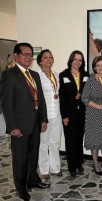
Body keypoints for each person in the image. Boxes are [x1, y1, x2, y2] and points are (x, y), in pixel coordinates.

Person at [0, 42, 50, 201]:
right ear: (16, 56)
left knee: (33, 154)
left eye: (30, 55)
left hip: (35, 121)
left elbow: (40, 99)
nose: (29, 57)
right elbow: (6, 103)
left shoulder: (34, 75)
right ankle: (21, 188)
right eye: (25, 54)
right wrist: (12, 127)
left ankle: (33, 180)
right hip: (20, 124)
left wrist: (43, 119)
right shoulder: (9, 75)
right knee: (20, 157)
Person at [59, 50, 89, 177]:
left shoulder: (86, 75)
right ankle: (71, 166)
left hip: (82, 112)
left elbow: (89, 93)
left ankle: (79, 163)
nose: (77, 62)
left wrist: (83, 95)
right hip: (69, 113)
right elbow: (62, 97)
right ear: (71, 60)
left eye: (80, 60)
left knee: (79, 138)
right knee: (70, 140)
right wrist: (64, 116)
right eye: (75, 59)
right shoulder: (63, 75)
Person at [81, 56, 102, 176]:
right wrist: (98, 106)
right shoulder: (91, 80)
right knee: (95, 139)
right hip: (93, 113)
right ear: (94, 68)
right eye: (98, 65)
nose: (100, 67)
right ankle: (95, 164)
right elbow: (84, 98)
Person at [37, 49, 62, 179]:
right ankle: (44, 169)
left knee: (55, 142)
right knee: (43, 143)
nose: (48, 59)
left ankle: (55, 167)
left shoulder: (56, 74)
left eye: (50, 57)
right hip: (44, 114)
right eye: (45, 57)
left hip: (56, 113)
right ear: (40, 61)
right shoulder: (37, 76)